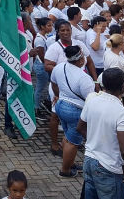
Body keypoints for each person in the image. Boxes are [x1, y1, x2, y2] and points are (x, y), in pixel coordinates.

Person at [77, 68, 124, 199]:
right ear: (123, 87)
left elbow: (80, 127)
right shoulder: (122, 112)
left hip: (89, 161)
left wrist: (95, 141)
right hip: (108, 167)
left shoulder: (91, 100)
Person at [51, 45, 95, 177]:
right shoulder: (84, 78)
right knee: (73, 142)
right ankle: (65, 170)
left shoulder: (59, 67)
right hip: (74, 111)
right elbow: (90, 99)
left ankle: (69, 163)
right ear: (81, 60)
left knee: (68, 136)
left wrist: (58, 95)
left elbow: (53, 83)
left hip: (60, 106)